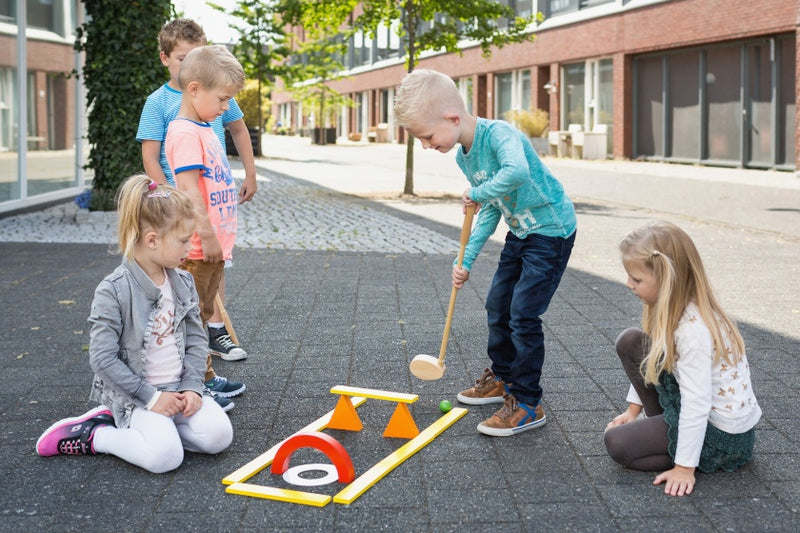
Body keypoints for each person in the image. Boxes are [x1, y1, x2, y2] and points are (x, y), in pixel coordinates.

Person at [393, 69, 577, 437]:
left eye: (427, 137)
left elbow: (517, 172)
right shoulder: (464, 157)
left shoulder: (500, 136)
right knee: (497, 306)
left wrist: (477, 193)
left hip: (551, 232)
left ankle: (527, 402)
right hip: (521, 232)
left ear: (453, 118)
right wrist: (465, 260)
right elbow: (491, 207)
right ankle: (503, 379)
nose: (427, 146)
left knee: (523, 315)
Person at [35, 175, 233, 473]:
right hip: (136, 395)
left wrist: (193, 387)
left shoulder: (183, 282)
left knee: (220, 437)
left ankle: (158, 433)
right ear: (152, 240)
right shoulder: (113, 290)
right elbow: (102, 359)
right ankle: (98, 435)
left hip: (179, 389)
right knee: (165, 459)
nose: (189, 248)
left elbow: (196, 340)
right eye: (182, 241)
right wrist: (152, 398)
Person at [604, 221, 761, 497]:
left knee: (618, 444)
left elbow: (697, 402)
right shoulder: (671, 307)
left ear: (666, 280)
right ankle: (670, 433)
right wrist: (632, 411)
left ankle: (692, 453)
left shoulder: (693, 330)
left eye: (637, 279)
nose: (628, 284)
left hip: (722, 437)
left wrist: (684, 467)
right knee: (631, 341)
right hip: (698, 410)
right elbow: (653, 361)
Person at [136, 18, 253, 376]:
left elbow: (236, 127)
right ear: (166, 59)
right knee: (187, 307)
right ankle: (192, 374)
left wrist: (250, 172)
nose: (224, 107)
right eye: (222, 100)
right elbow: (156, 160)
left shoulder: (209, 111)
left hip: (210, 231)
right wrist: (176, 209)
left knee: (201, 301)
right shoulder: (169, 112)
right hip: (192, 223)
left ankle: (201, 361)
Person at [165, 44, 251, 409]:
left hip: (213, 249)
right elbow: (187, 190)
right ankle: (195, 385)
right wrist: (207, 234)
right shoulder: (184, 132)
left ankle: (207, 376)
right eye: (223, 99)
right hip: (199, 248)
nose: (227, 108)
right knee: (191, 320)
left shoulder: (203, 128)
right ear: (195, 89)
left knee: (199, 317)